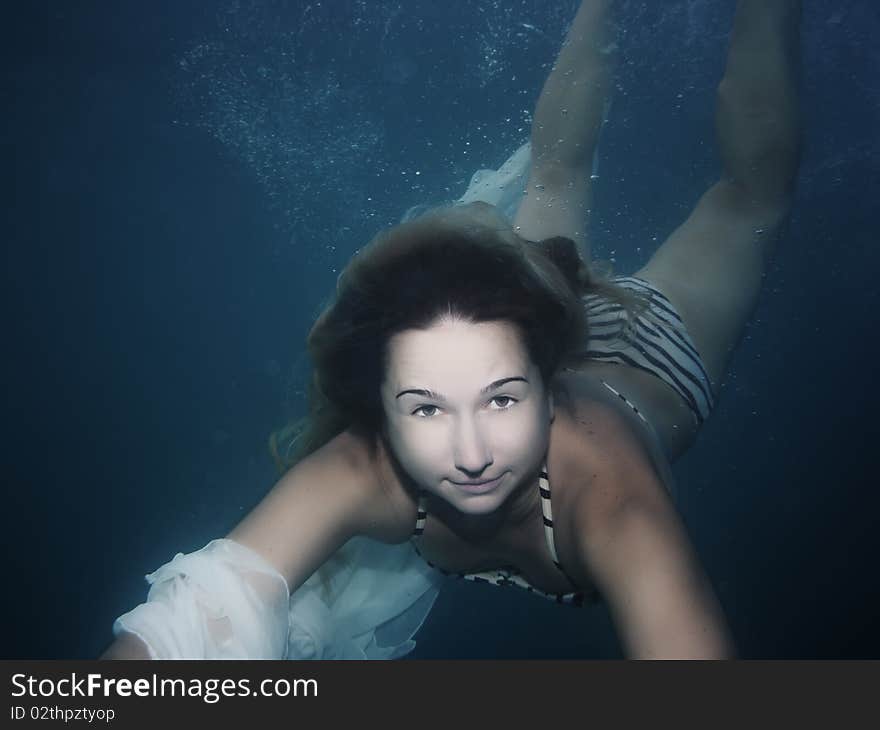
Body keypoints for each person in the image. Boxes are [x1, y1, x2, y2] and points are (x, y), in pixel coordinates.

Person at [100, 0, 801, 660]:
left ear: (549, 378)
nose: (471, 455)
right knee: (554, 174)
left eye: (503, 400)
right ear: (382, 410)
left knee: (751, 199)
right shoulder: (365, 466)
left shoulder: (617, 506)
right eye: (426, 408)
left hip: (654, 359)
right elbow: (196, 621)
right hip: (496, 340)